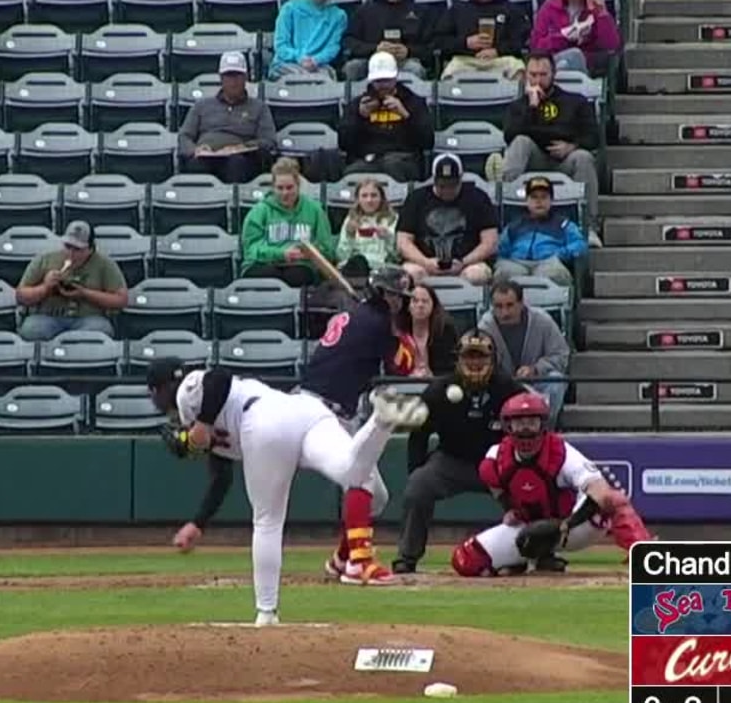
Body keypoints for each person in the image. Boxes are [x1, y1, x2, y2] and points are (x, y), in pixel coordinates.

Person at [149, 358, 428, 626]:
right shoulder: (213, 430)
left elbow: (217, 378)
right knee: (352, 474)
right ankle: (381, 422)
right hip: (305, 411)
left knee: (267, 520)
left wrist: (202, 424)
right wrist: (198, 523)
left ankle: (266, 613)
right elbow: (221, 478)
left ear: (158, 391)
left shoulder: (187, 395)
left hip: (262, 421)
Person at [300, 266, 421, 587]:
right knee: (361, 479)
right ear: (384, 294)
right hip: (317, 413)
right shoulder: (377, 323)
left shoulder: (361, 316)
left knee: (376, 498)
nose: (402, 303)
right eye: (398, 296)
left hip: (334, 412)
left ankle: (341, 558)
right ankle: (359, 563)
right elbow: (405, 365)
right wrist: (400, 333)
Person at [451, 390, 650, 576]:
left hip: (572, 527)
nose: (526, 429)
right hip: (528, 530)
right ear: (508, 426)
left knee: (611, 499)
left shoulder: (562, 453)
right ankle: (533, 560)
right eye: (520, 423)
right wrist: (509, 508)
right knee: (465, 560)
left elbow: (599, 490)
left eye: (532, 422)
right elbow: (494, 485)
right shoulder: (495, 458)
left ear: (542, 425)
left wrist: (566, 524)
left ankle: (645, 554)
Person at [394, 330, 524, 573]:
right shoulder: (438, 391)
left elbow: (531, 428)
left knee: (529, 490)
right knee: (418, 487)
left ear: (492, 360)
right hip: (451, 460)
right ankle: (407, 556)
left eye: (481, 358)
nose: (475, 363)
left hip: (497, 463)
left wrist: (519, 469)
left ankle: (530, 552)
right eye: (469, 357)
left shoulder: (509, 389)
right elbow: (418, 435)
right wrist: (416, 470)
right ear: (459, 360)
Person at [494, 52, 603, 223]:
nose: (537, 80)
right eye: (533, 75)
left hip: (566, 161)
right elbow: (510, 136)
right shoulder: (518, 106)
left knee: (584, 157)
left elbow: (593, 138)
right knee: (520, 142)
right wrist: (532, 107)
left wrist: (572, 146)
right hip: (534, 159)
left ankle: (588, 225)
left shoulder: (576, 102)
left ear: (554, 74)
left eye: (543, 75)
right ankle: (508, 216)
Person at [478, 277, 571, 425]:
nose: (504, 312)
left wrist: (536, 369)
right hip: (502, 385)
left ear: (521, 303)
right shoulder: (485, 327)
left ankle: (545, 428)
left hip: (537, 382)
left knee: (555, 380)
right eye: (498, 306)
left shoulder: (543, 321)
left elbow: (560, 354)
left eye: (510, 305)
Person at [15, 220, 129, 341]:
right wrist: (45, 287)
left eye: (77, 249)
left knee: (99, 330)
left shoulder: (105, 264)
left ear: (90, 249)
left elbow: (121, 300)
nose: (71, 253)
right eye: (68, 247)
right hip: (49, 317)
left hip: (88, 318)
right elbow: (21, 295)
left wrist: (85, 293)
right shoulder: (45, 259)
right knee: (32, 329)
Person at [396, 153, 499, 286]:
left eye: (452, 185)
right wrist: (425, 262)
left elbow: (489, 242)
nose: (447, 190)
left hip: (468, 263)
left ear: (461, 178)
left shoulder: (478, 198)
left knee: (476, 275)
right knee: (410, 274)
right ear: (434, 180)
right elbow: (403, 242)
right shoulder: (416, 199)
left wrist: (464, 262)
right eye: (442, 186)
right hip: (424, 263)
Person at [177, 51, 278, 185]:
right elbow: (184, 136)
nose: (233, 81)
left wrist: (243, 147)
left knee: (236, 163)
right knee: (196, 165)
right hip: (207, 156)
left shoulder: (259, 107)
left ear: (245, 77)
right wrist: (195, 150)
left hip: (240, 158)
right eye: (229, 76)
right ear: (221, 78)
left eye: (237, 75)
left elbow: (269, 140)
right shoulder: (201, 105)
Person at [239, 157, 336, 288]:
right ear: (273, 187)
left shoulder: (315, 210)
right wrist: (281, 254)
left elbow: (327, 249)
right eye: (280, 188)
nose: (285, 193)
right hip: (264, 264)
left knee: (298, 275)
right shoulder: (259, 211)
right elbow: (250, 249)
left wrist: (310, 253)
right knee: (268, 276)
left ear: (298, 185)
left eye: (290, 187)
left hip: (300, 265)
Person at [338, 51, 432, 181]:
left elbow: (427, 141)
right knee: (353, 173)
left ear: (395, 78)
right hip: (367, 160)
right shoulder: (358, 104)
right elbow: (344, 143)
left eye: (387, 80)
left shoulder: (413, 101)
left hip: (402, 159)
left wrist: (405, 115)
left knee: (392, 166)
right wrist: (360, 117)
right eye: (378, 81)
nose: (383, 85)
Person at [340, 0, 434, 82]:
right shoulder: (365, 10)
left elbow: (431, 47)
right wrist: (375, 48)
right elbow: (348, 42)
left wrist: (408, 51)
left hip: (406, 61)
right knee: (352, 68)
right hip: (371, 60)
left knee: (415, 69)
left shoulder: (421, 10)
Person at [433, 0, 530, 80]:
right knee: (450, 70)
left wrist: (498, 50)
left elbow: (520, 42)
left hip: (499, 60)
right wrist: (465, 43)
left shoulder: (510, 9)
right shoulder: (458, 9)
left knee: (518, 68)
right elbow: (438, 41)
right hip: (465, 61)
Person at [529, 0, 622, 75]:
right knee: (571, 56)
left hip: (589, 63)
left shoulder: (594, 8)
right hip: (554, 59)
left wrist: (602, 13)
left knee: (577, 55)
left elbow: (611, 45)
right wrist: (564, 36)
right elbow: (536, 47)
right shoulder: (549, 7)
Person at [495, 175, 588, 286]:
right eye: (534, 197)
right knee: (503, 273)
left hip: (548, 262)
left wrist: (561, 254)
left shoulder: (563, 224)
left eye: (544, 197)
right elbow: (501, 249)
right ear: (527, 201)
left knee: (555, 273)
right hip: (516, 262)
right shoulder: (514, 226)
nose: (539, 201)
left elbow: (580, 244)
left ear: (551, 200)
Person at [268, 0, 346, 80]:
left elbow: (332, 48)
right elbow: (281, 46)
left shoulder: (339, 16)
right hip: (286, 65)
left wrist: (316, 60)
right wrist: (300, 58)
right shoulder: (289, 9)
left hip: (319, 66)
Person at [335, 178, 399, 274]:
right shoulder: (351, 219)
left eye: (374, 196)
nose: (369, 200)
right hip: (354, 267)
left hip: (381, 268)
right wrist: (350, 236)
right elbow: (341, 256)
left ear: (381, 198)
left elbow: (397, 257)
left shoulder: (392, 219)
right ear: (358, 199)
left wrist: (388, 237)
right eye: (364, 196)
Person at [402, 282, 458, 379]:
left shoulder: (445, 330)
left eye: (425, 301)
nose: (420, 305)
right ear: (408, 306)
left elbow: (449, 368)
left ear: (433, 305)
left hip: (436, 384)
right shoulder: (400, 330)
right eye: (415, 301)